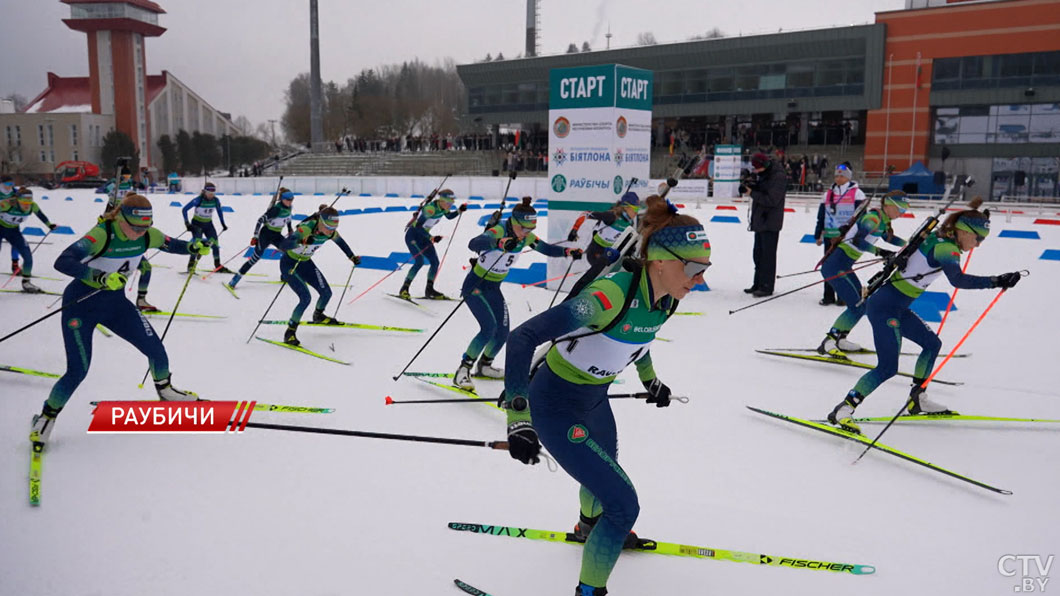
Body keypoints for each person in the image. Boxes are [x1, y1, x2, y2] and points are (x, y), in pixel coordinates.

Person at [502, 195, 711, 596]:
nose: (700, 280)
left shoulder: (667, 297)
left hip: (596, 400)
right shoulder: (605, 299)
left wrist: (651, 381)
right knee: (622, 505)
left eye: (705, 270)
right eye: (695, 269)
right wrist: (518, 419)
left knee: (604, 475)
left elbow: (641, 339)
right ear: (663, 261)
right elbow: (523, 337)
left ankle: (587, 527)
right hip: (555, 405)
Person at [29, 194, 211, 448]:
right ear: (121, 219)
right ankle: (47, 417)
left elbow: (170, 244)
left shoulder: (148, 234)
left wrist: (192, 248)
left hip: (115, 305)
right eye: (135, 227)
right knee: (78, 370)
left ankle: (166, 391)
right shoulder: (102, 234)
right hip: (81, 306)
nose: (140, 233)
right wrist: (99, 276)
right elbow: (63, 261)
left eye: (145, 227)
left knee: (155, 349)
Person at [827, 197, 1023, 434]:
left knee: (932, 344)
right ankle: (844, 409)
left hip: (898, 307)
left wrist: (978, 217)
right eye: (978, 238)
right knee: (888, 367)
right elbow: (958, 280)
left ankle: (917, 398)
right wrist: (996, 281)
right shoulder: (946, 248)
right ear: (963, 231)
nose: (978, 244)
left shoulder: (939, 237)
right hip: (883, 308)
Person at [454, 197, 582, 391]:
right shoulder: (499, 230)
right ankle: (463, 369)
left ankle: (485, 366)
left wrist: (567, 252)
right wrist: (498, 242)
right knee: (488, 328)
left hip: (494, 288)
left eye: (530, 229)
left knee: (503, 332)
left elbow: (545, 248)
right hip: (476, 285)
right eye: (523, 229)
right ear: (513, 222)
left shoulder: (527, 237)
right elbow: (474, 243)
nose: (526, 234)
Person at [816, 192, 909, 357]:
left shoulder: (883, 221)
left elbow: (890, 239)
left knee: (862, 304)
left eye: (904, 210)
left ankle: (840, 339)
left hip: (844, 266)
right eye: (899, 209)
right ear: (887, 204)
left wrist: (909, 245)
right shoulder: (872, 219)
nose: (901, 214)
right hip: (836, 266)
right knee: (858, 304)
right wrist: (881, 252)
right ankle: (830, 340)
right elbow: (858, 241)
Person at [276, 206, 361, 346]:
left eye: (334, 227)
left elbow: (341, 243)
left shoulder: (330, 233)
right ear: (320, 222)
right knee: (305, 298)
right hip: (290, 264)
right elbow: (284, 245)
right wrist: (301, 241)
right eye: (328, 227)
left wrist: (352, 257)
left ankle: (318, 315)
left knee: (326, 293)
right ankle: (290, 331)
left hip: (305, 263)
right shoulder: (306, 228)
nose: (331, 231)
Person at [562, 192, 639, 302]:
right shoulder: (611, 216)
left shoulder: (629, 223)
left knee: (605, 281)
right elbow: (586, 213)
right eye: (635, 209)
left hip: (608, 254)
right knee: (594, 278)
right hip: (595, 252)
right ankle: (572, 300)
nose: (636, 212)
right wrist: (574, 229)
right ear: (626, 207)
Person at [397, 189, 467, 300]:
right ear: (442, 200)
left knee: (435, 262)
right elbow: (418, 226)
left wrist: (459, 211)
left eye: (452, 203)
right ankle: (404, 289)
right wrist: (431, 237)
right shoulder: (430, 209)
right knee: (419, 261)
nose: (450, 205)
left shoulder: (442, 207)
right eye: (449, 203)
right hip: (413, 236)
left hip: (424, 237)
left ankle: (429, 289)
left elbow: (449, 217)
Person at [814, 164, 864, 306]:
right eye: (836, 175)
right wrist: (818, 234)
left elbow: (861, 216)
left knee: (842, 266)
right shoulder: (828, 194)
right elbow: (821, 216)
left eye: (841, 175)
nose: (838, 178)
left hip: (847, 237)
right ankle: (828, 296)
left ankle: (843, 296)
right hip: (830, 235)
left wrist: (858, 235)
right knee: (828, 266)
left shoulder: (857, 193)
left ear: (847, 177)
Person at [228, 188, 295, 290]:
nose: (290, 202)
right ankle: (235, 279)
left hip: (276, 235)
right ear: (282, 199)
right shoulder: (276, 209)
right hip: (265, 235)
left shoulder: (289, 207)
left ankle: (284, 275)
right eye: (288, 200)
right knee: (255, 258)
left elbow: (288, 218)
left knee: (288, 252)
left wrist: (290, 229)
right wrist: (255, 236)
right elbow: (260, 220)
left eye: (291, 200)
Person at [742, 152, 786, 297]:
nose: (756, 172)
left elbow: (772, 199)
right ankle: (758, 283)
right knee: (758, 255)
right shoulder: (766, 174)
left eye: (757, 169)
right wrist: (752, 184)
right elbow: (763, 189)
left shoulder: (778, 176)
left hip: (770, 222)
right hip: (760, 220)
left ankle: (767, 286)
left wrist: (752, 193)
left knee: (768, 256)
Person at [0, 187, 58, 293]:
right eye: (23, 201)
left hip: (14, 231)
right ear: (17, 200)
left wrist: (50, 225)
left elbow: (41, 215)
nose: (27, 204)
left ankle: (26, 283)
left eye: (29, 201)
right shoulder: (7, 204)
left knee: (28, 257)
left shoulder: (33, 206)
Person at [182, 181, 230, 273]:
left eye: (213, 193)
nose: (211, 195)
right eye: (209, 193)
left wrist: (223, 224)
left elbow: (220, 212)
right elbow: (184, 210)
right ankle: (191, 266)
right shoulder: (198, 200)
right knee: (197, 245)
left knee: (215, 244)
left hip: (208, 225)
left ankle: (217, 265)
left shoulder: (216, 201)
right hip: (197, 225)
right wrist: (187, 223)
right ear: (204, 192)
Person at [1, 175, 24, 275]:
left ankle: (15, 265)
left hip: (12, 222)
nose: (10, 186)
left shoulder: (14, 192)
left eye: (12, 184)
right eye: (7, 184)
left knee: (15, 244)